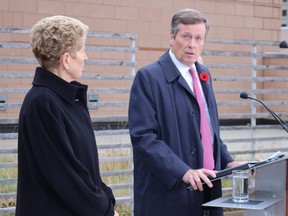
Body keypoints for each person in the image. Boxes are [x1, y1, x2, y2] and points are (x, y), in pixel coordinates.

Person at [128, 8, 240, 216]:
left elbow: (208, 129)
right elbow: (143, 138)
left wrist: (228, 161)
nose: (192, 44)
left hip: (209, 187)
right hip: (169, 195)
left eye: (199, 38)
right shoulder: (149, 77)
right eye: (186, 36)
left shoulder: (203, 74)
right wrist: (184, 171)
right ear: (172, 38)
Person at [16, 15, 118, 216]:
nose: (85, 57)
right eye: (81, 50)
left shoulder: (69, 99)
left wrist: (106, 199)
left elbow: (85, 169)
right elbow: (65, 175)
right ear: (66, 59)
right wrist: (105, 210)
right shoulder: (43, 103)